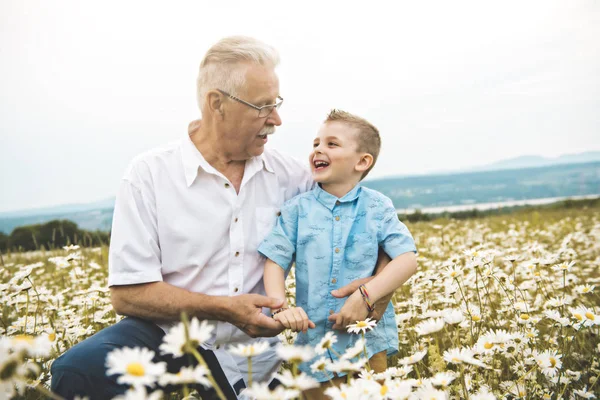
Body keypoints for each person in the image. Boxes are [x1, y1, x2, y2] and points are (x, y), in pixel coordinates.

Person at [50, 37, 391, 400]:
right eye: (263, 107)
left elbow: (373, 222)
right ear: (218, 104)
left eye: (276, 104)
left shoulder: (294, 178)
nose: (276, 120)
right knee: (78, 370)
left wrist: (374, 291)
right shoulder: (148, 175)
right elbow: (128, 293)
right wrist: (225, 310)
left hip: (262, 355)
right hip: (172, 338)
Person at [259, 110, 418, 399]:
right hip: (314, 343)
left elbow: (407, 259)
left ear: (362, 161)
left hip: (366, 342)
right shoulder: (296, 210)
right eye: (316, 143)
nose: (318, 149)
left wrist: (367, 294)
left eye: (332, 144)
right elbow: (275, 261)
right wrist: (280, 307)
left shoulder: (377, 207)